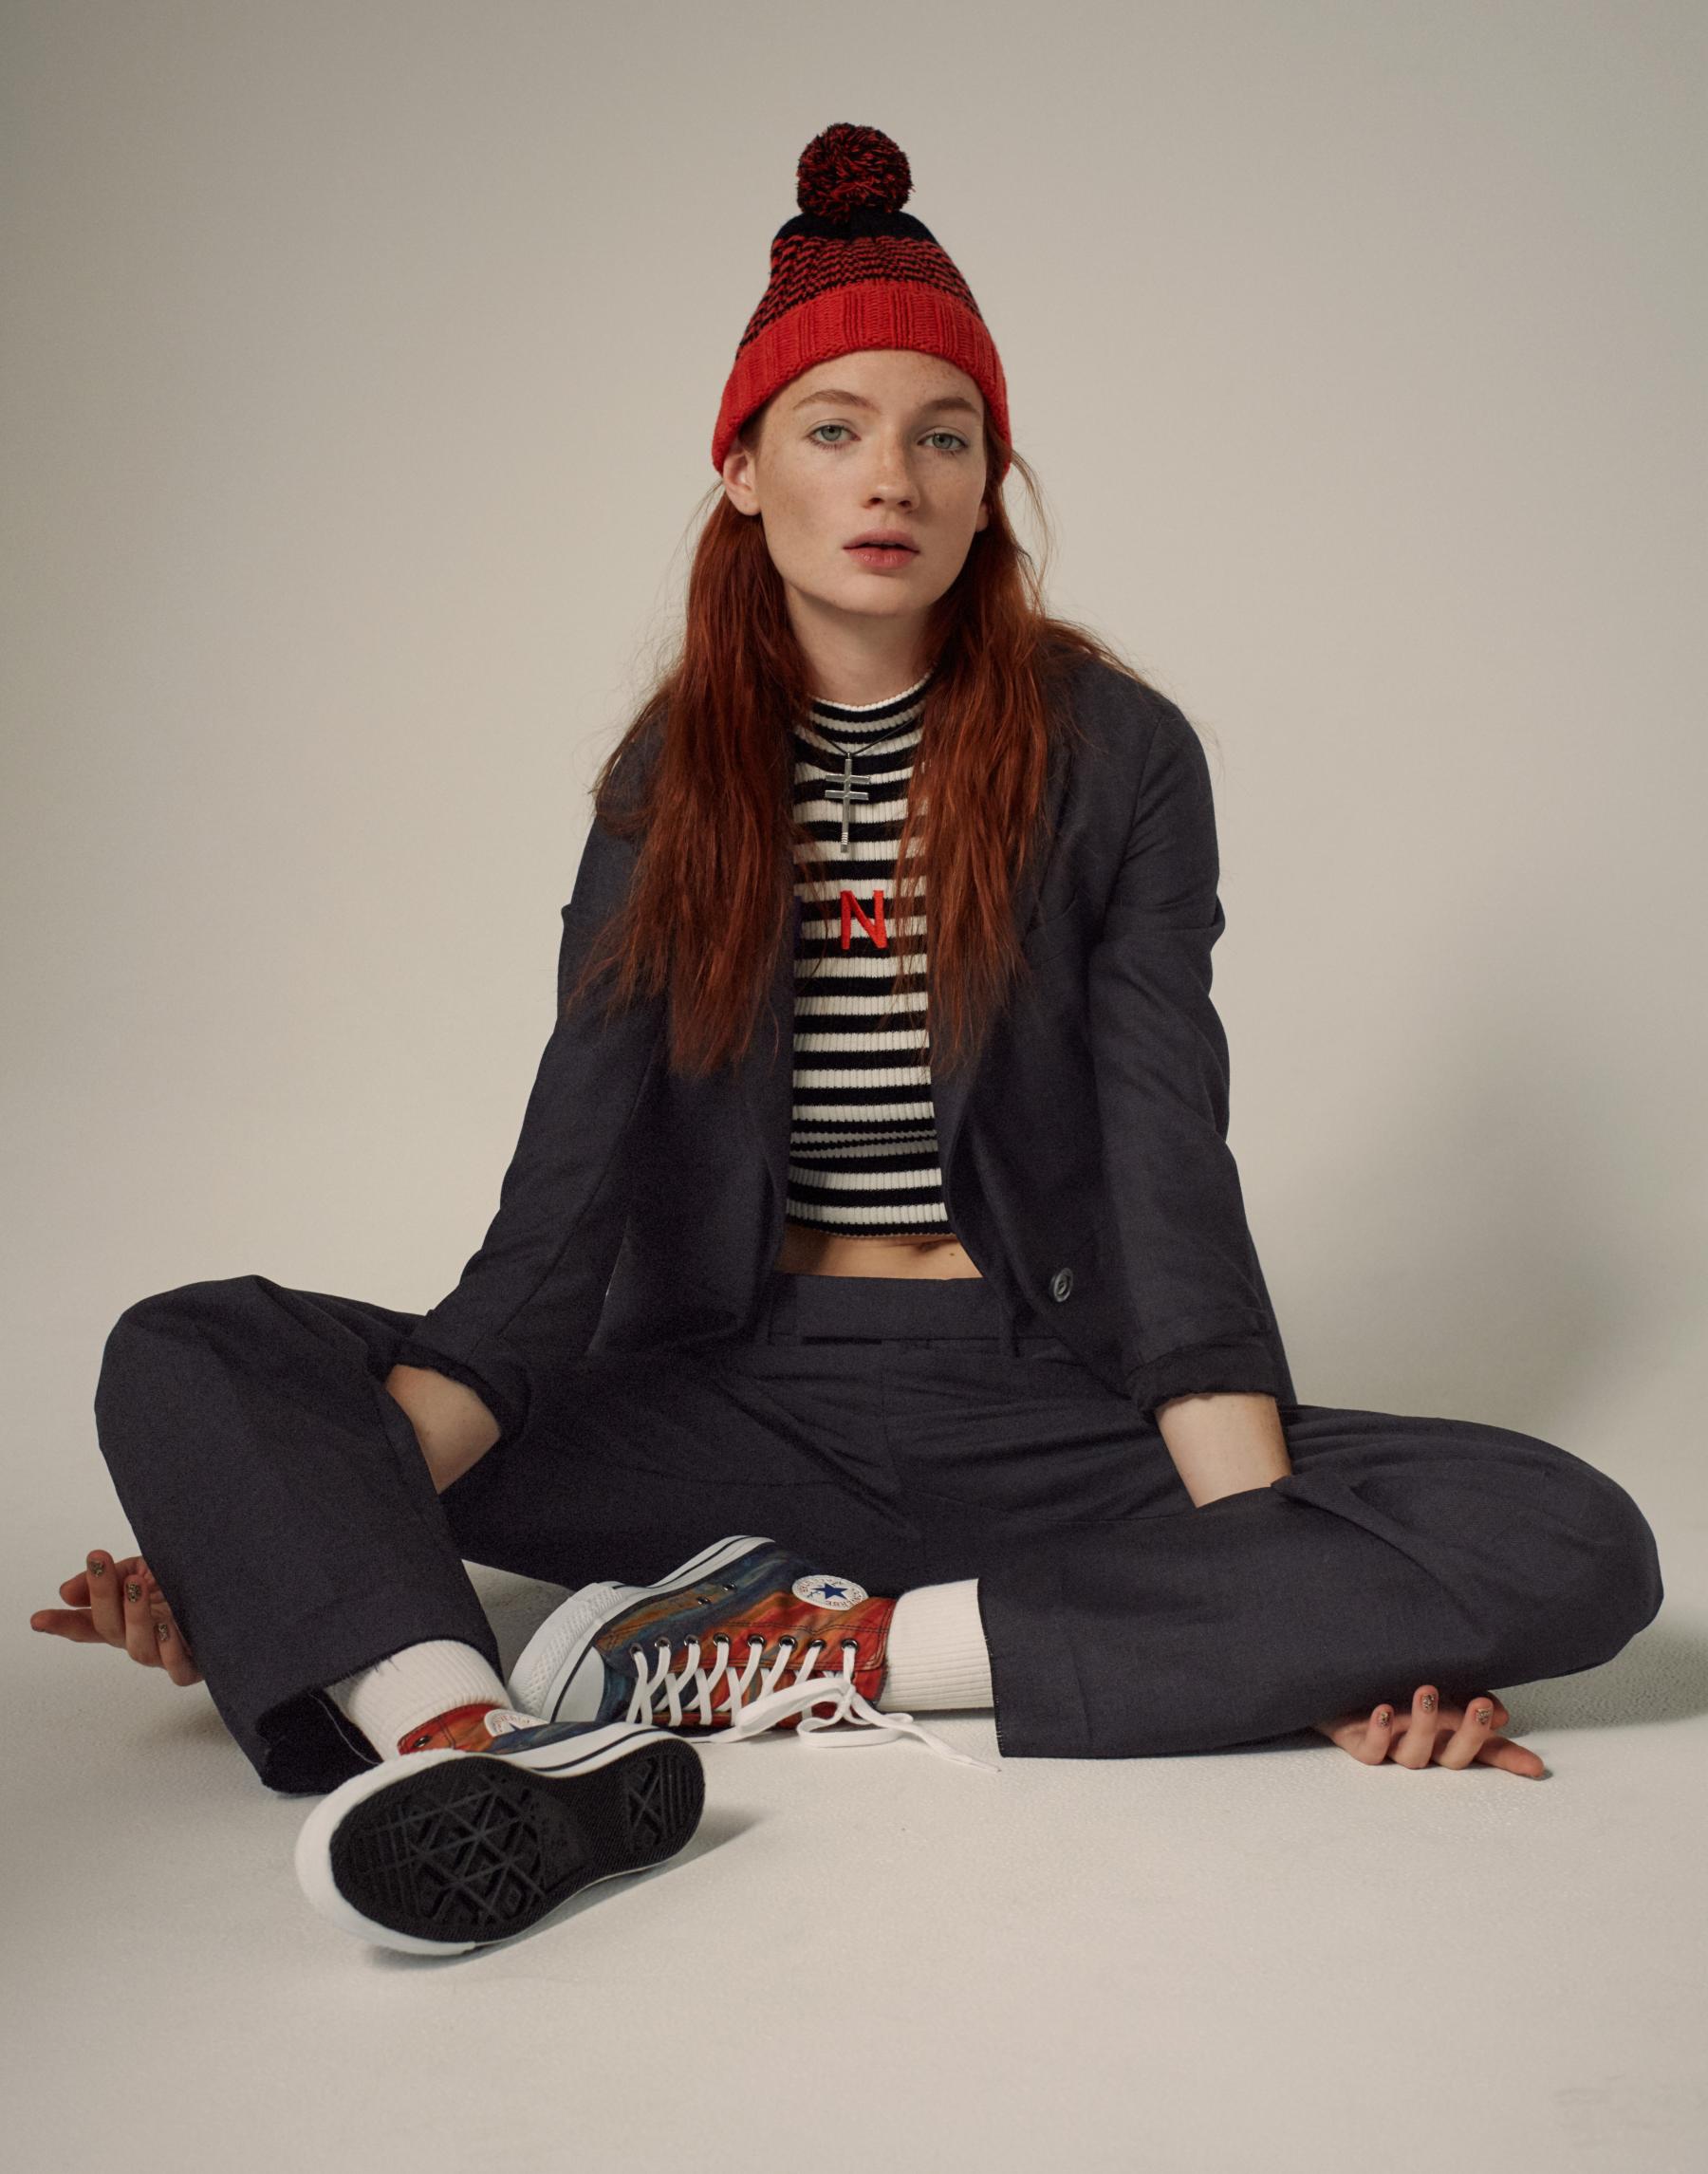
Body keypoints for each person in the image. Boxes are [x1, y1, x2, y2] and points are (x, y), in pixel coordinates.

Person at [31, 121, 1663, 1958]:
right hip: (731, 1404)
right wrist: (284, 1541)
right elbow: (552, 1231)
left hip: (1040, 1399)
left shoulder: (1118, 759)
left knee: (1575, 1537)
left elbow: (1168, 1178)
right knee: (197, 1346)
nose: (892, 475)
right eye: (834, 429)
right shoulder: (667, 781)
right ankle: (470, 1746)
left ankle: (808, 1654)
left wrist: (1289, 1608)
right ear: (742, 471)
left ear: (989, 486)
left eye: (944, 436)